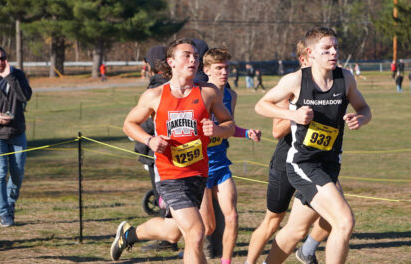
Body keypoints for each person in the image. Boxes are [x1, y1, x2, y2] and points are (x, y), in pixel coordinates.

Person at [110, 38, 235, 263]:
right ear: (171, 62)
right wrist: (149, 140)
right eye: (187, 55)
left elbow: (229, 126)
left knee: (175, 232)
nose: (193, 59)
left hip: (198, 174)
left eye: (196, 56)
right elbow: (129, 124)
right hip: (169, 175)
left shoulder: (209, 92)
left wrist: (216, 128)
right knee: (196, 232)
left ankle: (129, 235)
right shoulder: (155, 95)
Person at [255, 26, 371, 264]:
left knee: (295, 231)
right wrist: (292, 115)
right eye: (326, 49)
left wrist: (360, 118)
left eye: (335, 47)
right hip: (303, 164)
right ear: (311, 53)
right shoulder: (296, 80)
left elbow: (364, 109)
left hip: (329, 164)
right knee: (344, 221)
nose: (333, 53)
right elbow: (261, 105)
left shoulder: (345, 78)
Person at [246, 40, 335, 264]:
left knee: (334, 214)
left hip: (316, 161)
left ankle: (307, 250)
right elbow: (276, 131)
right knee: (273, 221)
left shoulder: (330, 84)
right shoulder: (292, 85)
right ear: (305, 59)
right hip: (286, 161)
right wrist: (298, 113)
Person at [201, 48, 261, 264]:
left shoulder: (230, 95)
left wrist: (246, 133)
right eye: (218, 68)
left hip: (220, 164)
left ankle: (226, 262)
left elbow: (228, 127)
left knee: (232, 216)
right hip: (199, 167)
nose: (223, 72)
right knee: (207, 227)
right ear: (207, 70)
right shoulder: (198, 94)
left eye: (226, 68)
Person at [133, 45, 178, 251]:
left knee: (165, 199)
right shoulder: (163, 82)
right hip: (155, 151)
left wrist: (144, 145)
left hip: (158, 154)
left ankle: (167, 240)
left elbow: (150, 123)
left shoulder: (158, 87)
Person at [0, 46, 32, 227]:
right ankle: (4, 213)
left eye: (3, 58)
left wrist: (10, 77)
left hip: (17, 132)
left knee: (17, 173)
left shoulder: (17, 74)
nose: (0, 62)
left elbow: (25, 96)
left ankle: (11, 204)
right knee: (0, 173)